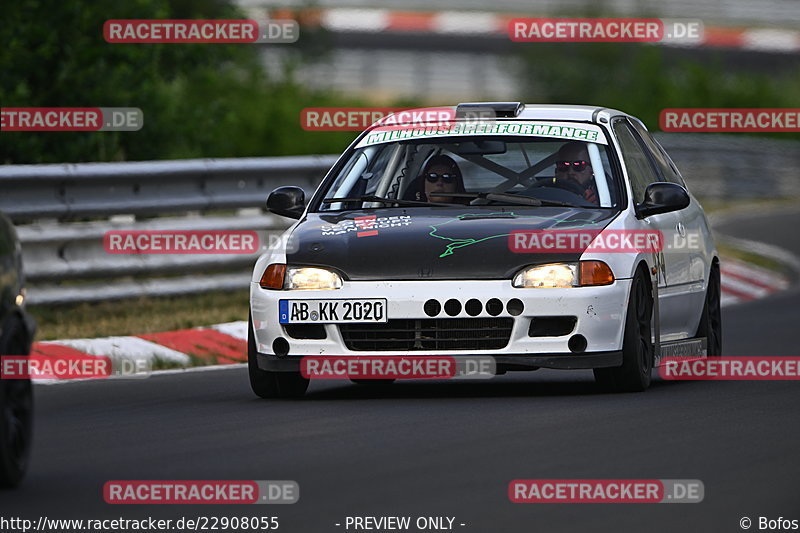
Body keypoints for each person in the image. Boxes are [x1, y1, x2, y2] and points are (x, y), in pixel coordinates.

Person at [405, 154, 470, 204]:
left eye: (447, 178)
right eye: (432, 177)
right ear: (423, 183)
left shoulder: (471, 216)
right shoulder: (409, 215)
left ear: (456, 184)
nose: (439, 183)